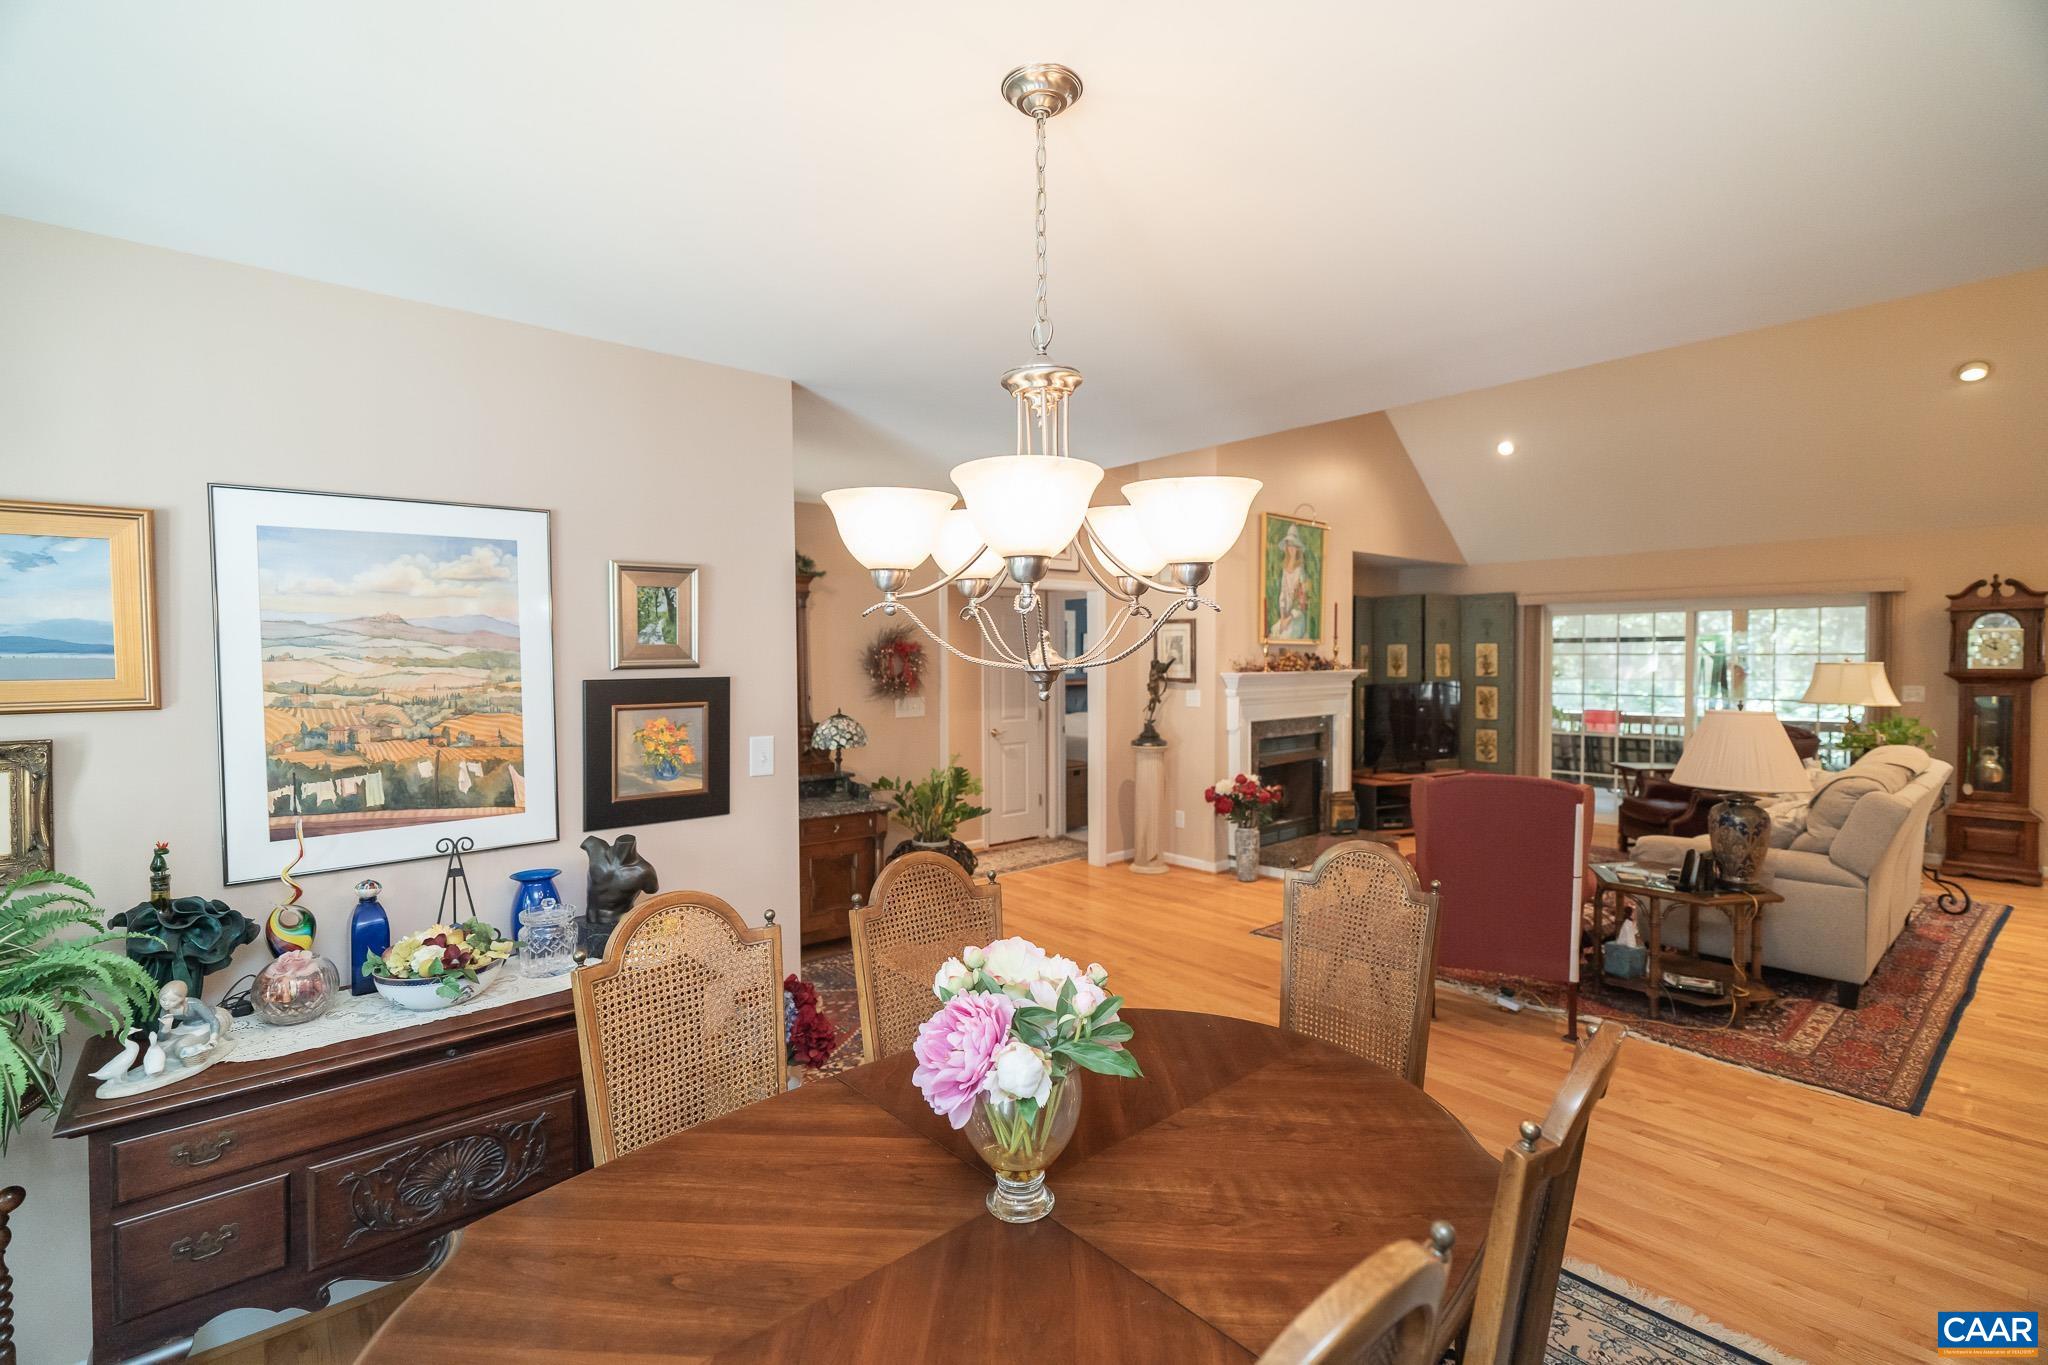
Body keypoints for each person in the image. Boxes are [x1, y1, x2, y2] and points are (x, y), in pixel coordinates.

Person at [1268, 526, 1313, 639]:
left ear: (1297, 548)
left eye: (1293, 545)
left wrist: (1289, 619)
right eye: (1289, 545)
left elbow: (1302, 600)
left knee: (1285, 636)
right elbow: (1283, 593)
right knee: (1274, 631)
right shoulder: (1285, 570)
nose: (1291, 548)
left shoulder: (1300, 571)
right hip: (1286, 616)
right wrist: (1283, 617)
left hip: (1296, 617)